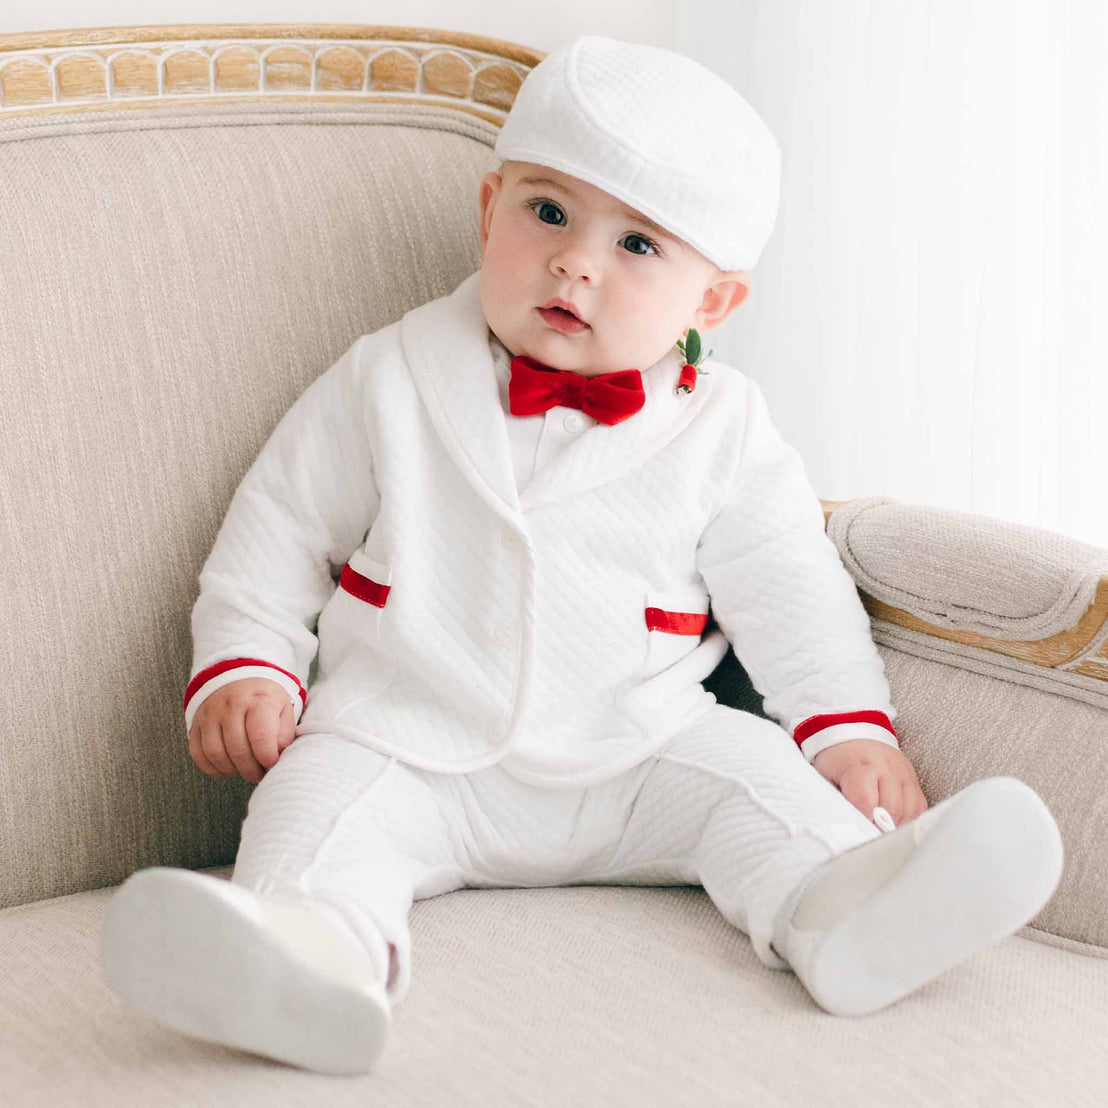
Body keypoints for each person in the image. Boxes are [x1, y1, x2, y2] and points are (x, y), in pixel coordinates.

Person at [99, 34, 1064, 1077]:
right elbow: (277, 531)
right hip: (408, 741)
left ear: (712, 303)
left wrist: (846, 729)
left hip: (639, 752)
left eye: (638, 246)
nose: (576, 262)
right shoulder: (385, 377)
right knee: (312, 808)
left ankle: (843, 911)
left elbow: (791, 589)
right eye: (547, 212)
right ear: (488, 208)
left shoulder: (724, 426)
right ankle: (311, 957)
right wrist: (246, 664)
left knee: (759, 784)